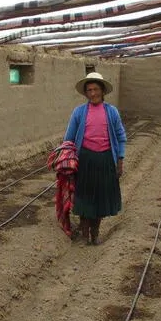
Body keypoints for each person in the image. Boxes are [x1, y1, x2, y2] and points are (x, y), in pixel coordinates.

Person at [63, 72, 126, 245]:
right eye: (89, 90)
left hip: (105, 159)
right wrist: (66, 160)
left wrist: (120, 160)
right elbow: (69, 138)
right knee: (84, 197)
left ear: (102, 91)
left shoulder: (111, 112)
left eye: (96, 89)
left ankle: (95, 233)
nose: (93, 93)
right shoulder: (79, 112)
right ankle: (84, 234)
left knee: (100, 198)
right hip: (85, 159)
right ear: (85, 93)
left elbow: (121, 136)